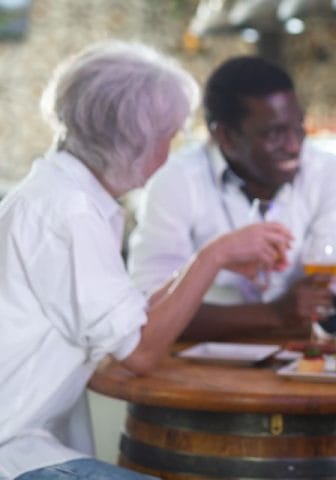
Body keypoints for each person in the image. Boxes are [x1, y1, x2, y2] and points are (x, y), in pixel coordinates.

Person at [0, 42, 292, 480]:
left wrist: (209, 261)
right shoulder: (69, 212)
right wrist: (216, 255)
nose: (169, 152)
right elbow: (139, 351)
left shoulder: (63, 196)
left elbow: (129, 321)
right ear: (133, 142)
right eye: (168, 136)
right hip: (12, 448)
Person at [128, 56, 336, 341]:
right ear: (225, 137)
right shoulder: (176, 181)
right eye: (274, 133)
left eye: (298, 126)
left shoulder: (331, 175)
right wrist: (274, 315)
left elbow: (332, 305)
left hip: (301, 363)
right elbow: (150, 311)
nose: (293, 145)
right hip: (195, 368)